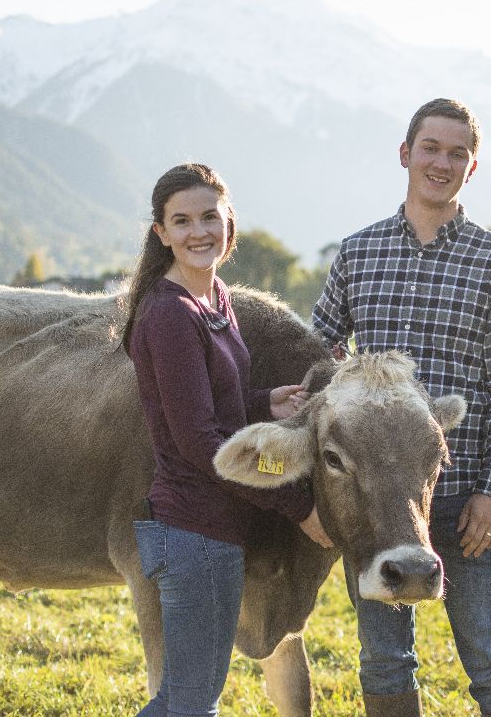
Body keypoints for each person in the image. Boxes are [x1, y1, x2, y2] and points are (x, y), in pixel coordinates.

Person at [312, 98, 491, 717]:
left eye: (458, 153)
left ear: (473, 166)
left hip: (465, 499)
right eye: (431, 148)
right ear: (405, 153)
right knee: (384, 660)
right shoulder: (358, 253)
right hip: (377, 501)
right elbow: (321, 349)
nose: (443, 162)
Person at [122, 163, 332, 717]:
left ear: (228, 223)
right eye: (182, 220)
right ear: (161, 233)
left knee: (186, 700)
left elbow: (204, 407)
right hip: (194, 532)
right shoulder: (171, 313)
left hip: (208, 530)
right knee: (193, 705)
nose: (199, 232)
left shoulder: (213, 298)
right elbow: (201, 442)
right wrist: (296, 504)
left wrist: (266, 403)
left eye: (209, 217)